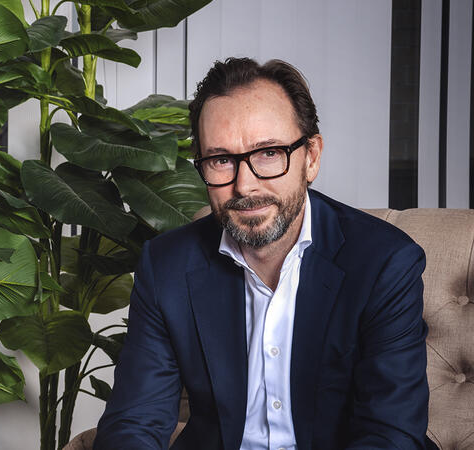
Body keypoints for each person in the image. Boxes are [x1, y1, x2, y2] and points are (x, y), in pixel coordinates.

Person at [94, 57, 434, 449]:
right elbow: (133, 423)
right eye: (221, 160)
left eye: (268, 153)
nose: (245, 185)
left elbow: (390, 435)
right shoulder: (166, 266)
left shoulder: (384, 263)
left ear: (311, 157)